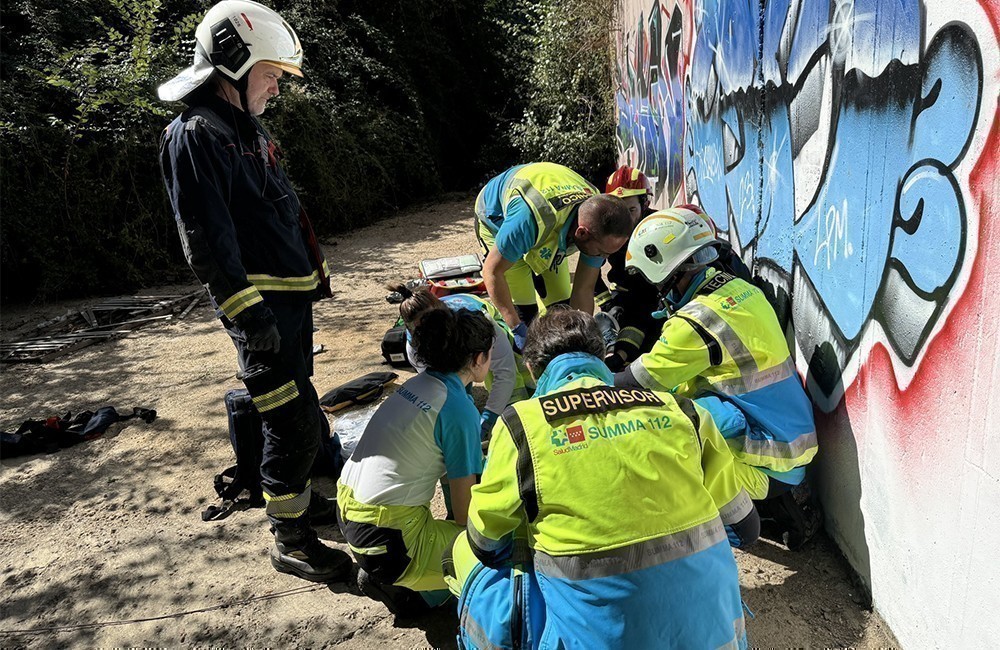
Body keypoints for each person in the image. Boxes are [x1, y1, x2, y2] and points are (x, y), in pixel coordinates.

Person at [158, 0, 351, 582]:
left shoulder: (244, 129)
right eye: (270, 75)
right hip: (261, 310)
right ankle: (288, 538)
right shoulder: (195, 136)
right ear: (233, 67)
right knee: (286, 420)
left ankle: (300, 504)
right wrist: (249, 317)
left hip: (287, 303)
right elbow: (207, 245)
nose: (276, 88)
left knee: (301, 406)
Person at [445, 307, 758, 649]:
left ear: (532, 369)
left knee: (460, 551)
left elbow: (484, 543)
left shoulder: (521, 426)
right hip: (718, 640)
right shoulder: (683, 410)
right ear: (603, 356)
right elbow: (746, 528)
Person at [614, 208, 819, 547]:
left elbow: (637, 384)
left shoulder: (695, 323)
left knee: (660, 455)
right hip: (790, 441)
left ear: (661, 269)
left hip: (768, 458)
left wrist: (587, 375)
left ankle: (729, 534)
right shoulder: (740, 289)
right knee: (687, 408)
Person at [337, 308, 494, 616]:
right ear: (478, 359)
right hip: (388, 539)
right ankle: (413, 596)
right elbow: (465, 514)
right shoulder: (459, 411)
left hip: (351, 512)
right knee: (495, 547)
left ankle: (399, 577)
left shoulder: (416, 386)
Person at [598, 167, 753, 371]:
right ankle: (617, 343)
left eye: (630, 210)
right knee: (628, 325)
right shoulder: (608, 229)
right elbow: (591, 272)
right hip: (636, 295)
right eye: (617, 211)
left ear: (645, 204)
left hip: (659, 294)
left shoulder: (659, 230)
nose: (623, 219)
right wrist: (607, 303)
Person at [474, 162, 633, 349]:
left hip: (551, 222)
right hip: (499, 220)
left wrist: (582, 338)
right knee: (525, 316)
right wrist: (516, 328)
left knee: (564, 313)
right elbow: (492, 272)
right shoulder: (527, 220)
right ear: (581, 233)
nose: (603, 258)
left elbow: (583, 290)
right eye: (601, 253)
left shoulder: (598, 217)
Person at [388, 284, 533, 440]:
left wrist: (490, 414)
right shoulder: (414, 349)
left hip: (477, 325)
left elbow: (505, 371)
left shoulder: (480, 323)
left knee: (513, 388)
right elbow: (437, 385)